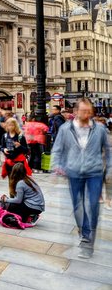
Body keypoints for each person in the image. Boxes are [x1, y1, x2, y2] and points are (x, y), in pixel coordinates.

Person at [52, 99, 111, 259]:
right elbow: (57, 149)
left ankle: (88, 243)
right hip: (74, 172)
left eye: (89, 111)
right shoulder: (65, 129)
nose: (87, 114)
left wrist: (109, 171)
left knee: (93, 206)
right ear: (76, 112)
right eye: (83, 111)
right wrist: (56, 167)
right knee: (78, 207)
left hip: (94, 172)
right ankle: (83, 232)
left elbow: (108, 150)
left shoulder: (100, 129)